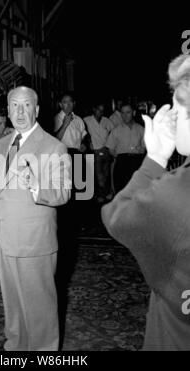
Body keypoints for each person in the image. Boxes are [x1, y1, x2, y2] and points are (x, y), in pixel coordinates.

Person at [0, 86, 71, 351]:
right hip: (1, 238)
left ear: (37, 109)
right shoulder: (2, 144)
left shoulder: (53, 146)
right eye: (14, 106)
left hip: (33, 242)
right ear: (8, 110)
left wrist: (36, 185)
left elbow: (63, 192)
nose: (20, 112)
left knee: (39, 311)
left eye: (26, 106)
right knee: (13, 307)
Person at [101, 53, 190, 350]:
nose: (174, 114)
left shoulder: (177, 193)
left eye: (178, 105)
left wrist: (155, 159)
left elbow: (116, 217)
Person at [106, 102, 146, 193]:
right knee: (121, 190)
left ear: (134, 113)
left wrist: (139, 151)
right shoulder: (116, 130)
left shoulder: (141, 129)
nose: (125, 115)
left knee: (137, 191)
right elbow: (110, 148)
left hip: (137, 162)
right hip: (122, 163)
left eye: (128, 112)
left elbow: (144, 147)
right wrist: (121, 157)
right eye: (123, 113)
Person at [84, 102, 114, 202]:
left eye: (102, 111)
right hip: (95, 152)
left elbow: (113, 133)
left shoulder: (106, 121)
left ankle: (104, 193)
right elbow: (82, 134)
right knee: (98, 174)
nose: (100, 112)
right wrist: (88, 143)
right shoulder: (87, 120)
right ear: (94, 109)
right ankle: (101, 194)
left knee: (106, 173)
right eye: (98, 110)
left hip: (106, 151)